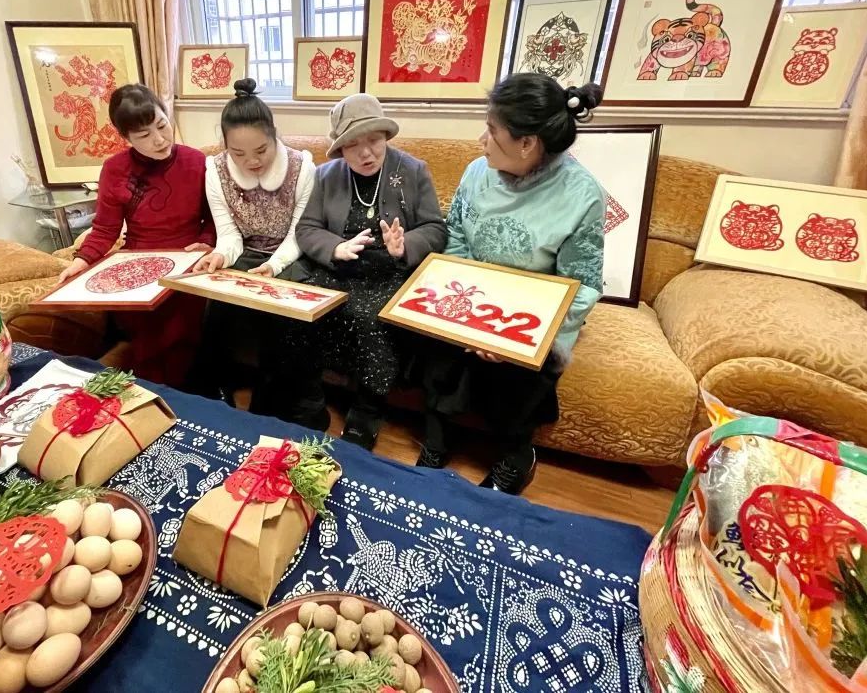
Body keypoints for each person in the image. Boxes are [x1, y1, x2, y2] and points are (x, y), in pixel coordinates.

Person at [417, 73, 606, 495]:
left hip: (533, 312)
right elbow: (456, 240)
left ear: (527, 143)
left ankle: (517, 456)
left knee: (514, 373)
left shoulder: (583, 195)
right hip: (473, 296)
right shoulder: (476, 173)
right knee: (437, 347)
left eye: (492, 129)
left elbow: (581, 284)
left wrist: (509, 335)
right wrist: (467, 317)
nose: (481, 140)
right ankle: (437, 440)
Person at [284, 93, 447, 447]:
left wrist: (405, 246)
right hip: (339, 268)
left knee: (369, 317)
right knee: (301, 312)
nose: (366, 153)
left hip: (391, 271)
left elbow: (436, 228)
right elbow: (307, 228)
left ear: (385, 136)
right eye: (353, 145)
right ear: (341, 149)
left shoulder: (413, 170)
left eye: (374, 140)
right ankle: (310, 402)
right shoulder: (326, 176)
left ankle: (368, 409)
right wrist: (335, 247)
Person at [57, 83, 214, 386]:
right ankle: (153, 390)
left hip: (188, 260)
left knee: (182, 328)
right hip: (138, 265)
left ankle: (179, 391)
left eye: (162, 125)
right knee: (146, 332)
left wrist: (205, 243)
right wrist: (81, 261)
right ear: (126, 138)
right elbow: (105, 228)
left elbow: (214, 219)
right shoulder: (115, 169)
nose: (159, 139)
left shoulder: (197, 161)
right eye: (144, 135)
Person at [187, 78, 316, 406]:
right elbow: (229, 235)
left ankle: (270, 400)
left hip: (291, 254)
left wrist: (274, 265)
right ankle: (214, 392)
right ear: (226, 146)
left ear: (274, 135)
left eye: (261, 150)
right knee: (217, 304)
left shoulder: (302, 167)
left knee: (278, 313)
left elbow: (299, 233)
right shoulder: (216, 170)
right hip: (245, 252)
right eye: (238, 153)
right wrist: (219, 256)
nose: (252, 161)